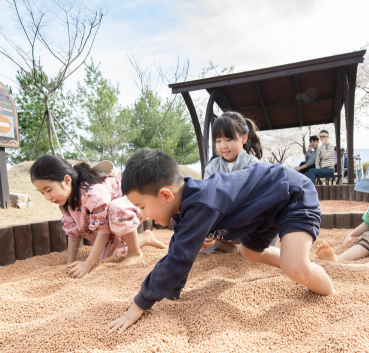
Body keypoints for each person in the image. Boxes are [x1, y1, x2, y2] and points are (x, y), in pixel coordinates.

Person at [107, 149, 335, 334]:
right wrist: (172, 291)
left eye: (143, 207)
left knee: (294, 267)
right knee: (250, 253)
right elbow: (178, 247)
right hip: (264, 211)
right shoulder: (185, 204)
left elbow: (178, 259)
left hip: (291, 195)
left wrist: (139, 305)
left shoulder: (201, 203)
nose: (142, 215)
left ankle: (329, 291)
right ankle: (297, 262)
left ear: (166, 195)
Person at [30, 155, 166, 278]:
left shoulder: (93, 193)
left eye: (49, 190)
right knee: (109, 256)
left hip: (133, 203)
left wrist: (88, 264)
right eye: (42, 193)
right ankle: (145, 239)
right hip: (112, 215)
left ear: (67, 180)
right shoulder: (65, 201)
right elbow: (73, 233)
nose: (47, 197)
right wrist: (70, 263)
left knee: (116, 209)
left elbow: (103, 229)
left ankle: (135, 252)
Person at [202, 112, 262, 254]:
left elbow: (256, 198)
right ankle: (224, 246)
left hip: (248, 222)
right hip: (223, 223)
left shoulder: (252, 164)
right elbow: (206, 198)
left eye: (228, 139)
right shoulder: (212, 167)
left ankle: (252, 248)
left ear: (243, 138)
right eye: (218, 141)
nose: (223, 146)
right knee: (196, 235)